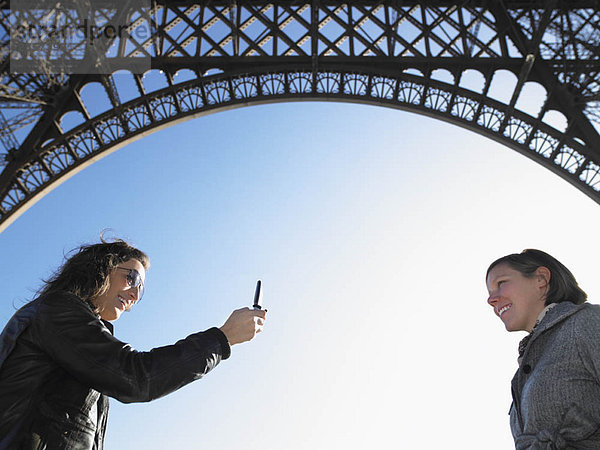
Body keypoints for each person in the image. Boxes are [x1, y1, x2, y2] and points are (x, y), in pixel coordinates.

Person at [0, 238, 267, 449]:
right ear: (101, 268)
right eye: (133, 278)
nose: (136, 294)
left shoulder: (68, 329)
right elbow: (138, 377)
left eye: (141, 289)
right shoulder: (58, 310)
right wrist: (222, 338)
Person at [485, 248, 600, 449]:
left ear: (541, 279)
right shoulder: (525, 370)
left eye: (501, 283)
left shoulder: (586, 321)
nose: (491, 299)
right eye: (489, 293)